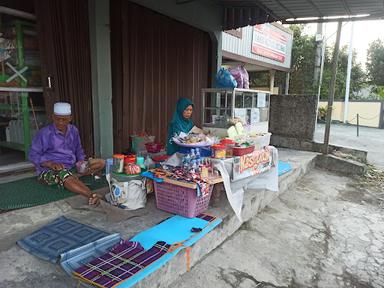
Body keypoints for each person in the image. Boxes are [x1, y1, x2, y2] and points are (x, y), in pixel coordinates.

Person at [29, 102, 105, 205]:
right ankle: (91, 195)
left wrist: (81, 161)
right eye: (57, 119)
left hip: (71, 167)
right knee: (64, 174)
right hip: (48, 171)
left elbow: (78, 149)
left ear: (70, 118)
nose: (60, 122)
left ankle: (73, 177)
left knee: (100, 163)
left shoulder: (73, 130)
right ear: (52, 117)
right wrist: (50, 164)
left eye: (64, 119)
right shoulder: (45, 133)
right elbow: (33, 155)